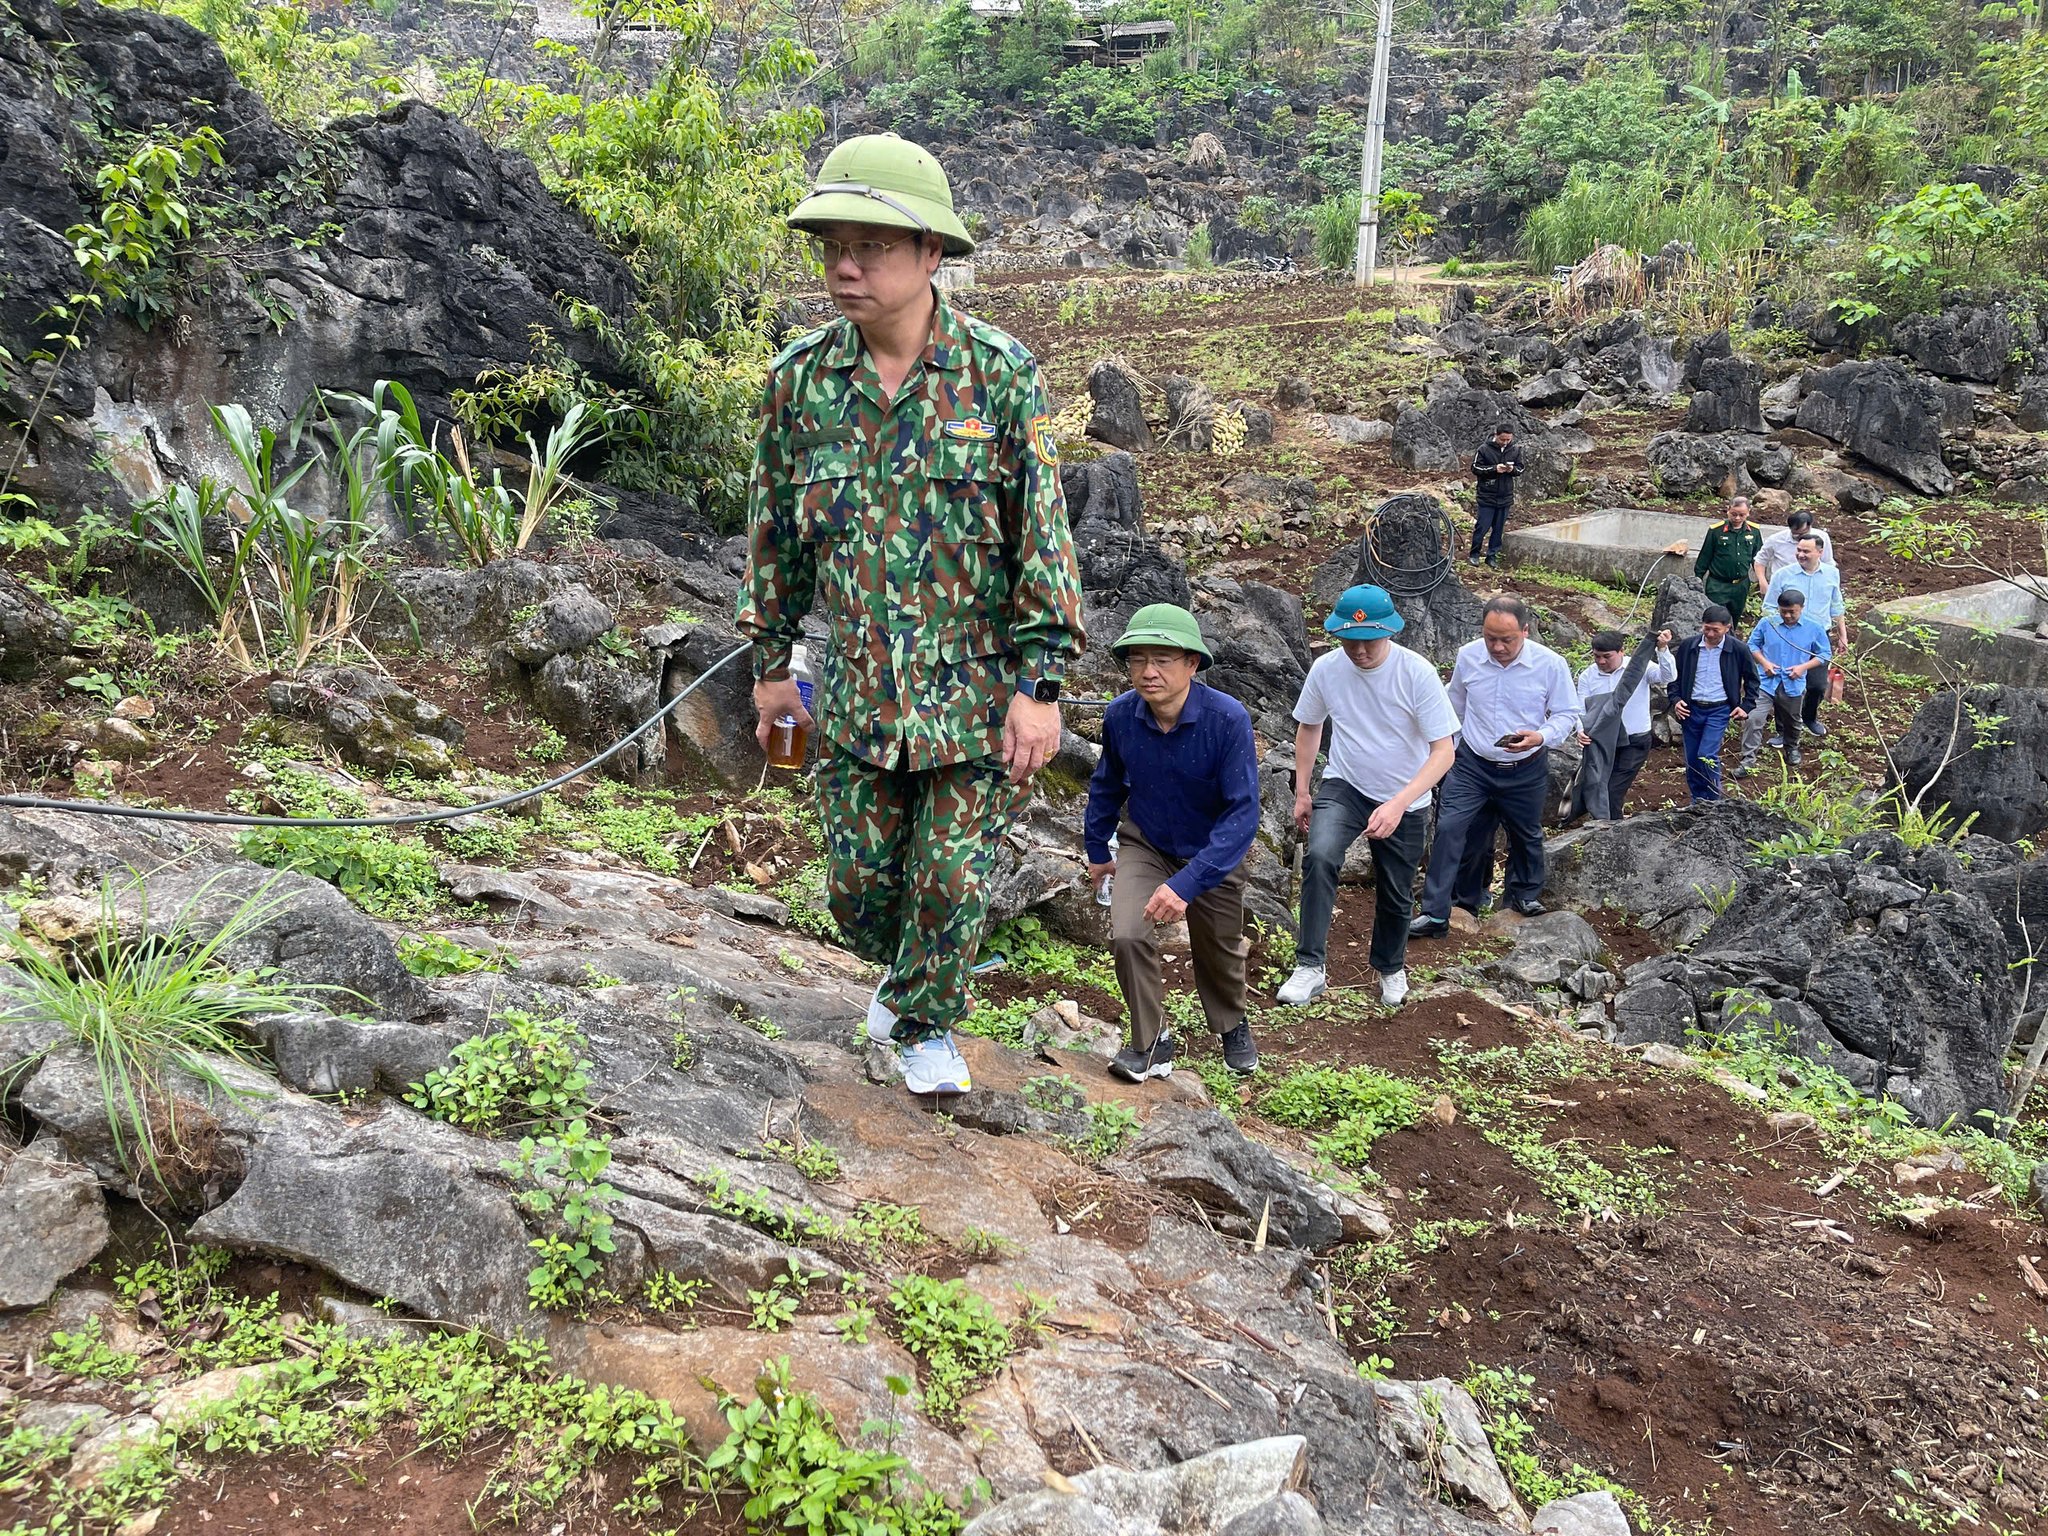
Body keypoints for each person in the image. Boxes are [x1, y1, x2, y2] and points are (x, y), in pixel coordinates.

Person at [736, 134, 1085, 1098]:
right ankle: (903, 978)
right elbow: (774, 536)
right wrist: (772, 670)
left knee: (951, 877)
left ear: (931, 253)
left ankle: (927, 1024)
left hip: (972, 694)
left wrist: (1040, 687)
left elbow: (1042, 538)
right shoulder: (801, 382)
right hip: (855, 691)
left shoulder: (999, 374)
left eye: (872, 247)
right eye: (833, 247)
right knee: (856, 890)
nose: (845, 268)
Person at [1085, 605, 1262, 1082]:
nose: (1148, 671)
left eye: (1162, 659)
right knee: (1127, 933)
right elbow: (1107, 784)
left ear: (1192, 663)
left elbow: (1243, 814)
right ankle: (1151, 1041)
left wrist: (1186, 885)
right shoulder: (1121, 716)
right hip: (1147, 842)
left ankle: (1231, 1023)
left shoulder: (1227, 720)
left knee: (1218, 947)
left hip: (1212, 852)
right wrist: (1098, 849)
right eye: (1138, 659)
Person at [1276, 585, 1458, 1011]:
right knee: (1320, 856)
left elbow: (1443, 751)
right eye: (1349, 641)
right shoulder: (1326, 669)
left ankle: (1390, 967)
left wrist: (1398, 803)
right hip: (1346, 783)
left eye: (1368, 642)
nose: (1358, 651)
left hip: (1405, 794)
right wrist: (1302, 791)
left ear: (1389, 632)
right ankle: (1309, 965)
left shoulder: (1416, 673)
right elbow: (1309, 726)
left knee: (1396, 889)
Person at [1409, 597, 1579, 937]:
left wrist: (1540, 736)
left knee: (1525, 832)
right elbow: (1454, 706)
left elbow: (1567, 713)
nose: (1498, 647)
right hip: (1473, 764)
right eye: (1491, 638)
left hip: (1525, 766)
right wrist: (1447, 750)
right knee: (1451, 829)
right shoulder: (1469, 656)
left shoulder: (1550, 664)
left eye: (1507, 640)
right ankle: (1437, 911)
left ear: (1525, 631)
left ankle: (1523, 896)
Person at [1564, 627, 1676, 824]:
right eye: (1597, 656)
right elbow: (1580, 709)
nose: (1601, 661)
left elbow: (1667, 677)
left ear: (1621, 651)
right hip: (1604, 742)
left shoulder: (1639, 668)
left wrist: (1662, 649)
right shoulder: (1588, 677)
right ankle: (1602, 821)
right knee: (1597, 784)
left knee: (1612, 790)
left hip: (1635, 740)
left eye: (1607, 656)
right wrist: (1580, 730)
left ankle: (1611, 828)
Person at [1735, 589, 1832, 776]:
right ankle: (1748, 760)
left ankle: (1792, 747)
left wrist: (1803, 667)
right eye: (1783, 611)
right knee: (1753, 718)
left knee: (1793, 720)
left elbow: (1824, 654)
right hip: (1765, 682)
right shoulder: (1767, 623)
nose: (1787, 616)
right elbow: (1752, 645)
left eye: (1792, 612)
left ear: (1801, 608)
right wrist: (1764, 663)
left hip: (1793, 683)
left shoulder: (1814, 627)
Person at [1761, 533, 1848, 740]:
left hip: (1818, 636)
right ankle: (1783, 730)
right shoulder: (1783, 575)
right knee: (1786, 683)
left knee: (1817, 685)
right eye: (1798, 550)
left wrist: (1842, 634)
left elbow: (1836, 605)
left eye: (1806, 551)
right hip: (1789, 636)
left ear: (1820, 552)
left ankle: (1809, 717)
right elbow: (1769, 607)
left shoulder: (1831, 574)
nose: (1800, 554)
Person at [1668, 604, 1758, 803]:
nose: (1709, 634)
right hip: (1691, 709)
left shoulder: (1738, 649)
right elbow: (1675, 676)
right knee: (1692, 759)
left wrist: (1746, 706)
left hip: (1719, 709)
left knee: (1707, 755)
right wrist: (1676, 700)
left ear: (1727, 627)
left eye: (1715, 630)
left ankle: (1714, 799)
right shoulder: (1689, 646)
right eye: (1706, 628)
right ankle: (1697, 800)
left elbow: (1752, 679)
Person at [1693, 495, 1764, 626]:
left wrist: (1761, 579)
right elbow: (1705, 557)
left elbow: (1758, 558)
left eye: (1742, 515)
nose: (1737, 518)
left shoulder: (1754, 531)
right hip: (1718, 585)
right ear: (1728, 510)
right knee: (1715, 619)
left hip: (1741, 585)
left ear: (1748, 513)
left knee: (1734, 620)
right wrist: (1697, 579)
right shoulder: (1716, 531)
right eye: (1734, 514)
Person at [1468, 425, 1524, 568]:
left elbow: (1520, 468)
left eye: (1508, 440)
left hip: (1505, 496)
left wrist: (1512, 469)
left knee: (1498, 529)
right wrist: (1494, 469)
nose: (1505, 442)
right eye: (1502, 439)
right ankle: (1474, 554)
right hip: (1487, 495)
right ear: (1496, 435)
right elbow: (1475, 468)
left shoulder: (1515, 450)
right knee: (1482, 527)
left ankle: (1491, 556)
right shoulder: (1483, 449)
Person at [1751, 508, 1835, 594]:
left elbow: (1828, 563)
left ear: (1809, 527)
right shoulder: (1776, 539)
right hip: (1782, 587)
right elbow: (1760, 560)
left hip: (1811, 587)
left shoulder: (1822, 537)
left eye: (1801, 533)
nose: (1797, 536)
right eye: (1794, 533)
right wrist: (1762, 582)